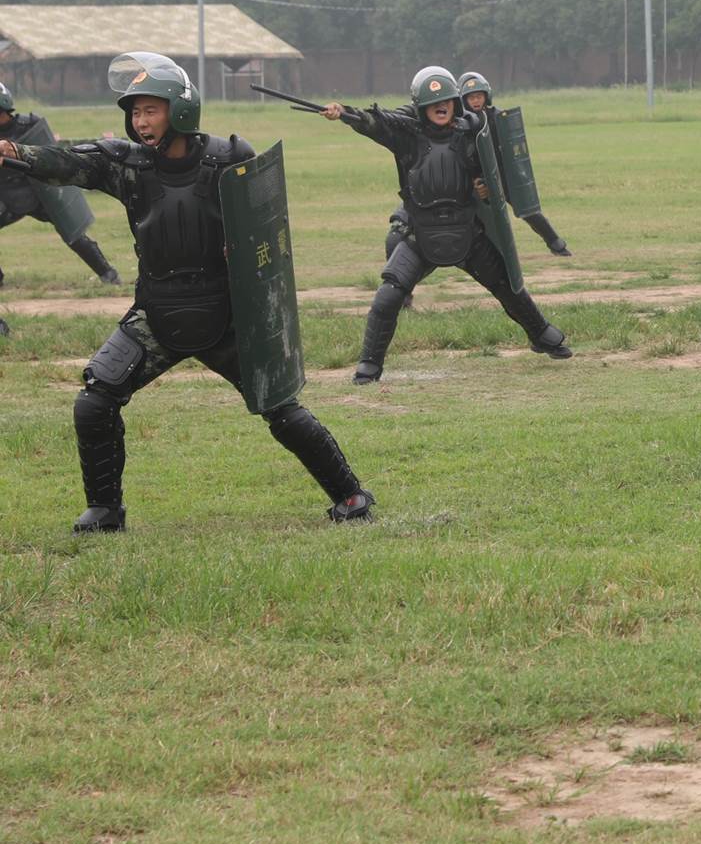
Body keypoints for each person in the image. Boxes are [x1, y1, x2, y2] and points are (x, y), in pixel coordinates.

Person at [0, 52, 371, 532]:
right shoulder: (126, 164)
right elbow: (70, 163)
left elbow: (265, 235)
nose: (140, 121)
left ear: (179, 109)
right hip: (156, 313)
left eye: (150, 110)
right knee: (95, 401)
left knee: (281, 408)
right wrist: (17, 153)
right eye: (134, 112)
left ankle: (351, 496)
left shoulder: (232, 159)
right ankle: (105, 511)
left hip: (227, 314)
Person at [327, 66, 571, 384]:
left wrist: (483, 186)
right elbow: (373, 124)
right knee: (388, 297)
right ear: (421, 107)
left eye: (446, 101)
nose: (441, 108)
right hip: (420, 234)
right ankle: (369, 365)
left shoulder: (472, 133)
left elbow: (491, 171)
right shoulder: (405, 137)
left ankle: (542, 336)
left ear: (455, 102)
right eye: (433, 103)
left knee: (507, 286)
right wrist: (344, 112)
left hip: (467, 233)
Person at [381, 69, 573, 260]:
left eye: (479, 95)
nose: (475, 101)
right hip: (471, 179)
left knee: (528, 211)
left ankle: (556, 243)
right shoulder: (454, 122)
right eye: (470, 97)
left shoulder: (498, 117)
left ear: (486, 96)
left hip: (500, 175)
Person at [0, 79, 123, 287]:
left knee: (73, 232)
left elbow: (54, 161)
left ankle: (108, 274)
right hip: (7, 196)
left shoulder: (30, 125)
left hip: (41, 194)